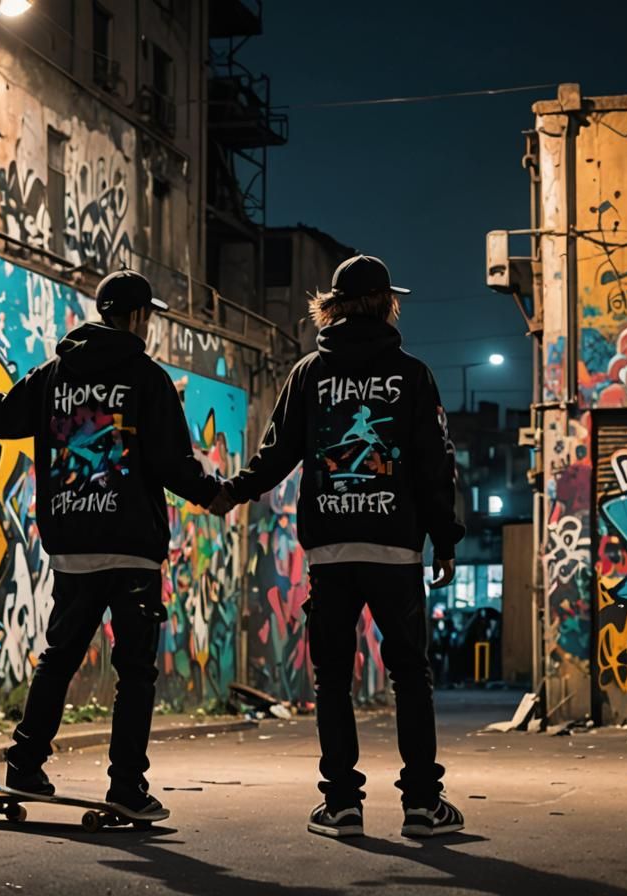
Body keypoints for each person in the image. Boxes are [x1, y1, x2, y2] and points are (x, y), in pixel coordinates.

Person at [0, 269, 221, 822]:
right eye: (149, 317)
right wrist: (216, 494)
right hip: (132, 550)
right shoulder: (148, 378)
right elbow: (173, 463)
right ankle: (127, 786)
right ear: (138, 316)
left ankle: (24, 764)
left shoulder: (53, 376)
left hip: (73, 545)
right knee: (135, 671)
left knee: (59, 658)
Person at [212, 255, 466, 839]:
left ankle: (343, 804)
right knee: (411, 675)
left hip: (330, 550)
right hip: (395, 549)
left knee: (332, 679)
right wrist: (445, 539)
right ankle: (422, 805)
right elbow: (434, 463)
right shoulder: (413, 375)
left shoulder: (309, 373)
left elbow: (277, 452)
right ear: (387, 304)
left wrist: (233, 491)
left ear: (332, 306)